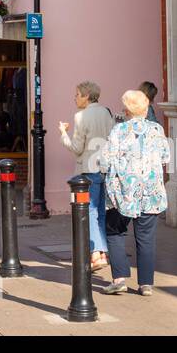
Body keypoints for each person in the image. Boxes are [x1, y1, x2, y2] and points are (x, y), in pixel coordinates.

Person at [97, 89, 171, 296]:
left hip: (122, 192)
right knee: (146, 237)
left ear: (127, 110)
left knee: (114, 231)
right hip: (150, 191)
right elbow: (166, 156)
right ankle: (145, 284)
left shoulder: (119, 131)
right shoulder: (156, 129)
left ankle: (119, 279)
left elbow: (105, 160)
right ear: (146, 109)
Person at [58, 81, 115, 274]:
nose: (75, 98)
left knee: (90, 211)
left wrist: (63, 133)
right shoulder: (106, 113)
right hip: (104, 168)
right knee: (100, 211)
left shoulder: (81, 116)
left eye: (77, 94)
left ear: (87, 96)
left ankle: (96, 253)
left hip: (88, 169)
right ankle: (102, 252)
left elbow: (77, 148)